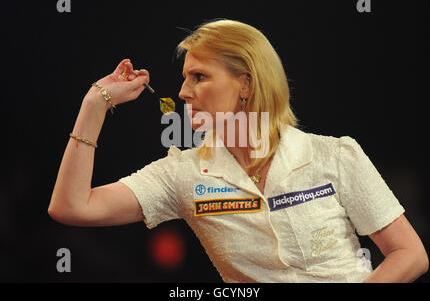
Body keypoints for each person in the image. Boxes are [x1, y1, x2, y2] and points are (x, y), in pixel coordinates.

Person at [48, 19, 428, 283]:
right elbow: (71, 207)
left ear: (245, 85)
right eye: (184, 78)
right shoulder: (184, 174)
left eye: (199, 77)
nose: (182, 92)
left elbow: (409, 254)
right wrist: (94, 104)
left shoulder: (335, 156)